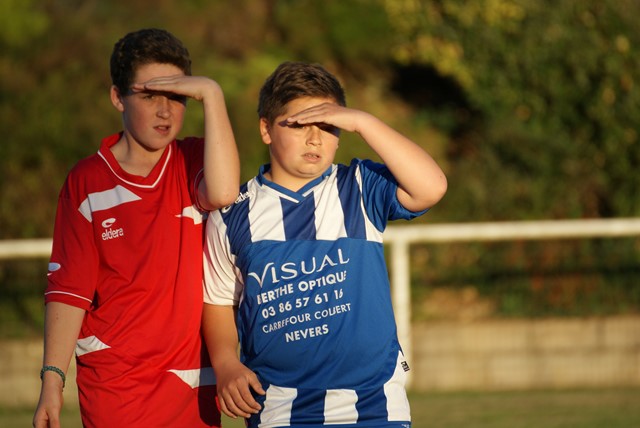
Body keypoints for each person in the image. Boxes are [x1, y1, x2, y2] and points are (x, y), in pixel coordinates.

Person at [202, 61, 447, 427]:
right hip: (278, 408)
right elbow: (218, 299)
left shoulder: (359, 186)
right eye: (300, 125)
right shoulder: (232, 215)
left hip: (375, 404)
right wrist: (225, 363)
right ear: (266, 129)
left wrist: (363, 121)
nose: (315, 138)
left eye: (329, 125)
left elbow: (431, 187)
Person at [33, 28, 239, 428]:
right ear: (118, 98)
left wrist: (213, 94)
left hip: (191, 384)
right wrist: (52, 382)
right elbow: (69, 291)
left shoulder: (194, 159)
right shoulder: (87, 181)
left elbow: (224, 192)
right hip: (116, 386)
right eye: (149, 96)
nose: (165, 111)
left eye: (177, 97)